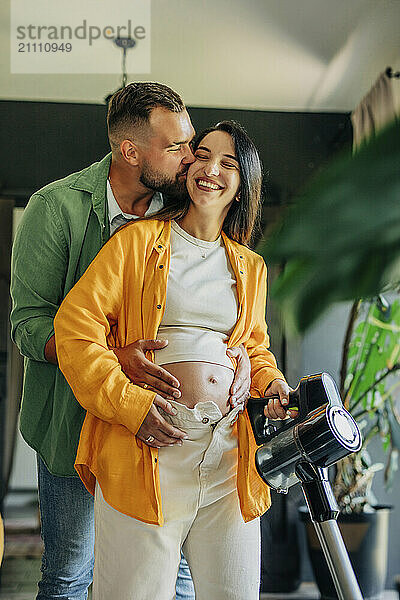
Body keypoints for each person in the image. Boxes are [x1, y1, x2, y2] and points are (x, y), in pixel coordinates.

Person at [10, 82, 251, 600]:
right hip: (71, 423)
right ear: (129, 151)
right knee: (71, 574)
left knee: (174, 578)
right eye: (178, 148)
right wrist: (115, 359)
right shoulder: (55, 210)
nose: (192, 160)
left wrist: (248, 366)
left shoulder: (181, 215)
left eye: (193, 144)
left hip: (169, 443)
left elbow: (244, 331)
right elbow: (30, 328)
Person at [54, 120, 295, 599]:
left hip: (228, 453)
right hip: (147, 449)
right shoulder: (136, 243)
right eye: (202, 155)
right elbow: (75, 330)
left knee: (235, 592)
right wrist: (132, 406)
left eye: (227, 162)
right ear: (186, 168)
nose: (210, 169)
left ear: (243, 182)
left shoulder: (251, 266)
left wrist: (269, 386)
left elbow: (254, 349)